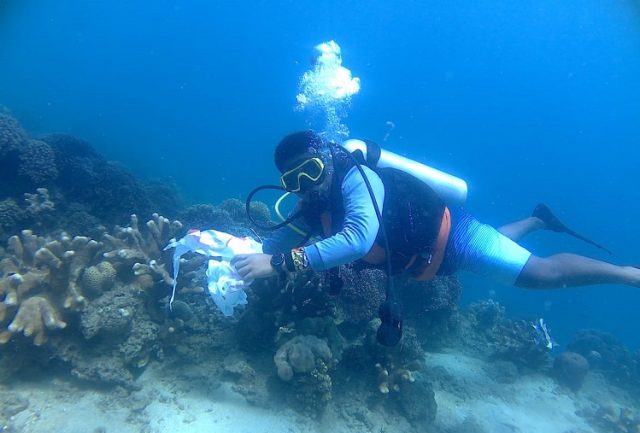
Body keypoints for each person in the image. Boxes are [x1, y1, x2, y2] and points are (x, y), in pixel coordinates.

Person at [232, 131, 639, 342]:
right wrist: (235, 251)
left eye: (312, 170)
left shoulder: (358, 177)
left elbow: (357, 240)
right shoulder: (311, 207)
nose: (307, 184)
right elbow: (283, 245)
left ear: (329, 160)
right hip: (425, 263)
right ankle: (535, 221)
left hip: (453, 236)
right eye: (294, 179)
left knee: (541, 275)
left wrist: (280, 263)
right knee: (496, 246)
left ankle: (628, 274)